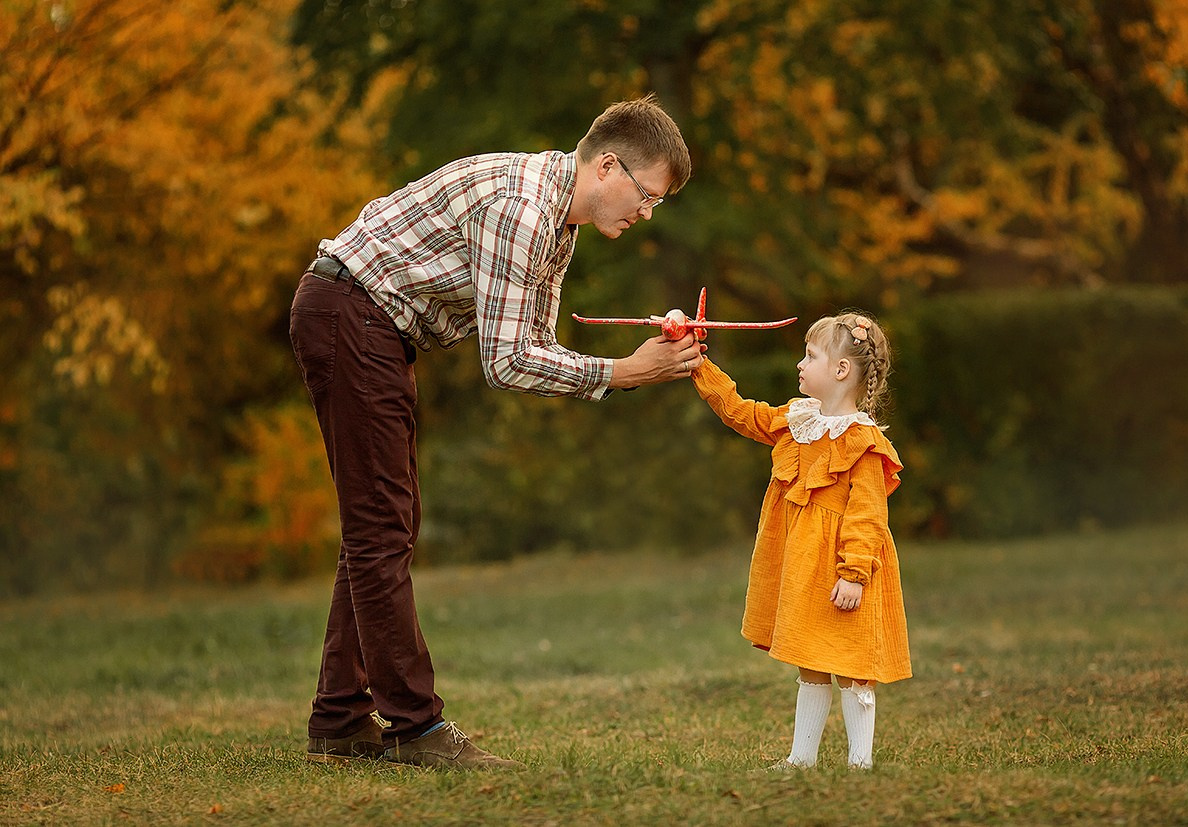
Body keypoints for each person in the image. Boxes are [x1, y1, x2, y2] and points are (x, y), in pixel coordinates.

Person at [290, 96, 701, 770]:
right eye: (646, 194)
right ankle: (414, 727)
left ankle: (338, 718)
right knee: (381, 526)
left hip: (369, 325)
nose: (647, 212)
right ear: (606, 166)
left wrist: (634, 355)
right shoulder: (525, 209)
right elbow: (507, 363)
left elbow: (532, 345)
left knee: (386, 522)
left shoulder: (559, 228)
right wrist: (624, 372)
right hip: (350, 312)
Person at [690, 312, 911, 770]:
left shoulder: (863, 442)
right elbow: (741, 412)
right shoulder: (797, 420)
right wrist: (697, 362)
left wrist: (854, 575)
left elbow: (868, 516)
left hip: (842, 571)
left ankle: (860, 762)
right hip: (803, 565)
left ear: (841, 371)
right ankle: (801, 757)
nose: (800, 364)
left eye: (810, 356)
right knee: (808, 657)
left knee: (852, 664)